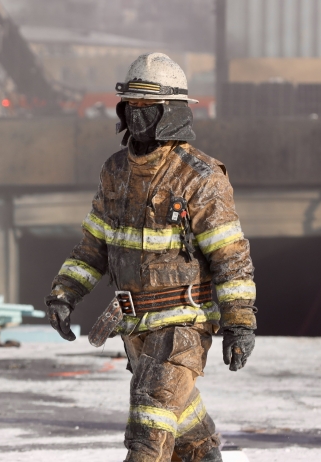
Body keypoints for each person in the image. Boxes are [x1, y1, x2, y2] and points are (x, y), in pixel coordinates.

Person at [45, 53, 256, 462]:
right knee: (187, 435)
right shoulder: (115, 171)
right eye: (132, 105)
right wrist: (64, 294)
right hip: (135, 327)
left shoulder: (201, 176)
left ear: (171, 112)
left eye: (148, 106)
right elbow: (93, 245)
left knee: (147, 434)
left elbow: (230, 256)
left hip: (182, 326)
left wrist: (240, 323)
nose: (137, 114)